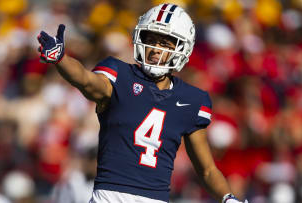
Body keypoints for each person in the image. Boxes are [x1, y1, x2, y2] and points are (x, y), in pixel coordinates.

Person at [37, 3, 248, 203]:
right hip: (110, 197)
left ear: (183, 48)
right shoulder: (119, 75)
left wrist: (227, 198)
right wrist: (61, 59)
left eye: (165, 43)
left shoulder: (192, 100)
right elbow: (85, 80)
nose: (156, 48)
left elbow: (207, 169)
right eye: (152, 39)